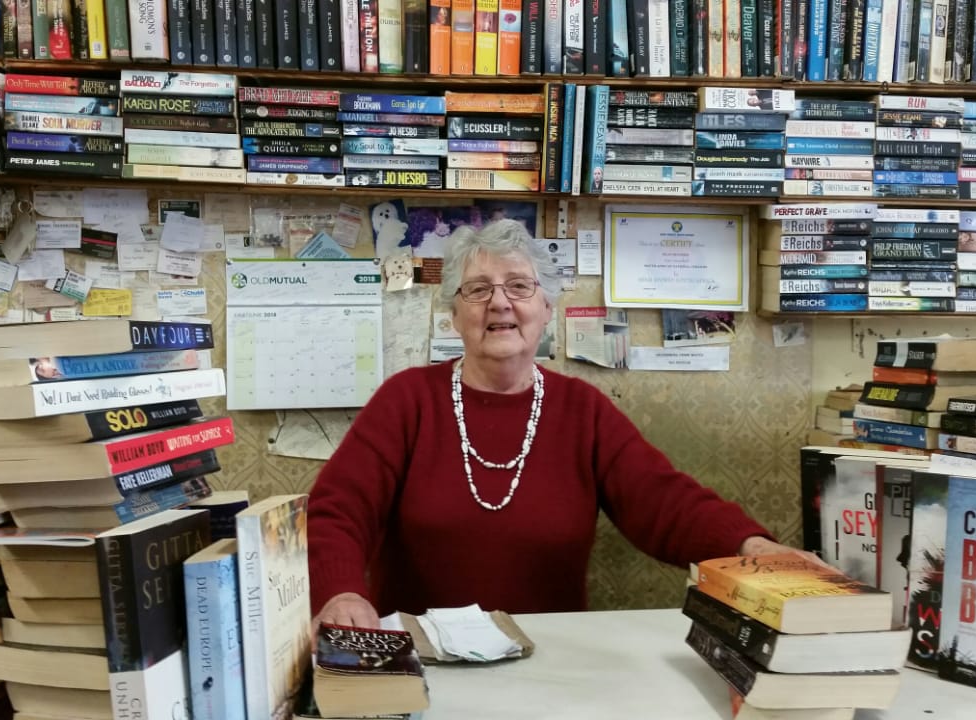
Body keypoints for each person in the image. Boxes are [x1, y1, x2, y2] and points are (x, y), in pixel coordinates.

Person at [308, 219, 808, 630]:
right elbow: (337, 511)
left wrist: (748, 547)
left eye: (519, 286)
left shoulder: (582, 410)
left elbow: (662, 500)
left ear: (546, 307)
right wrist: (340, 593)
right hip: (423, 654)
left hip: (551, 659)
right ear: (454, 315)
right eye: (478, 289)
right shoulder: (406, 401)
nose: (499, 302)